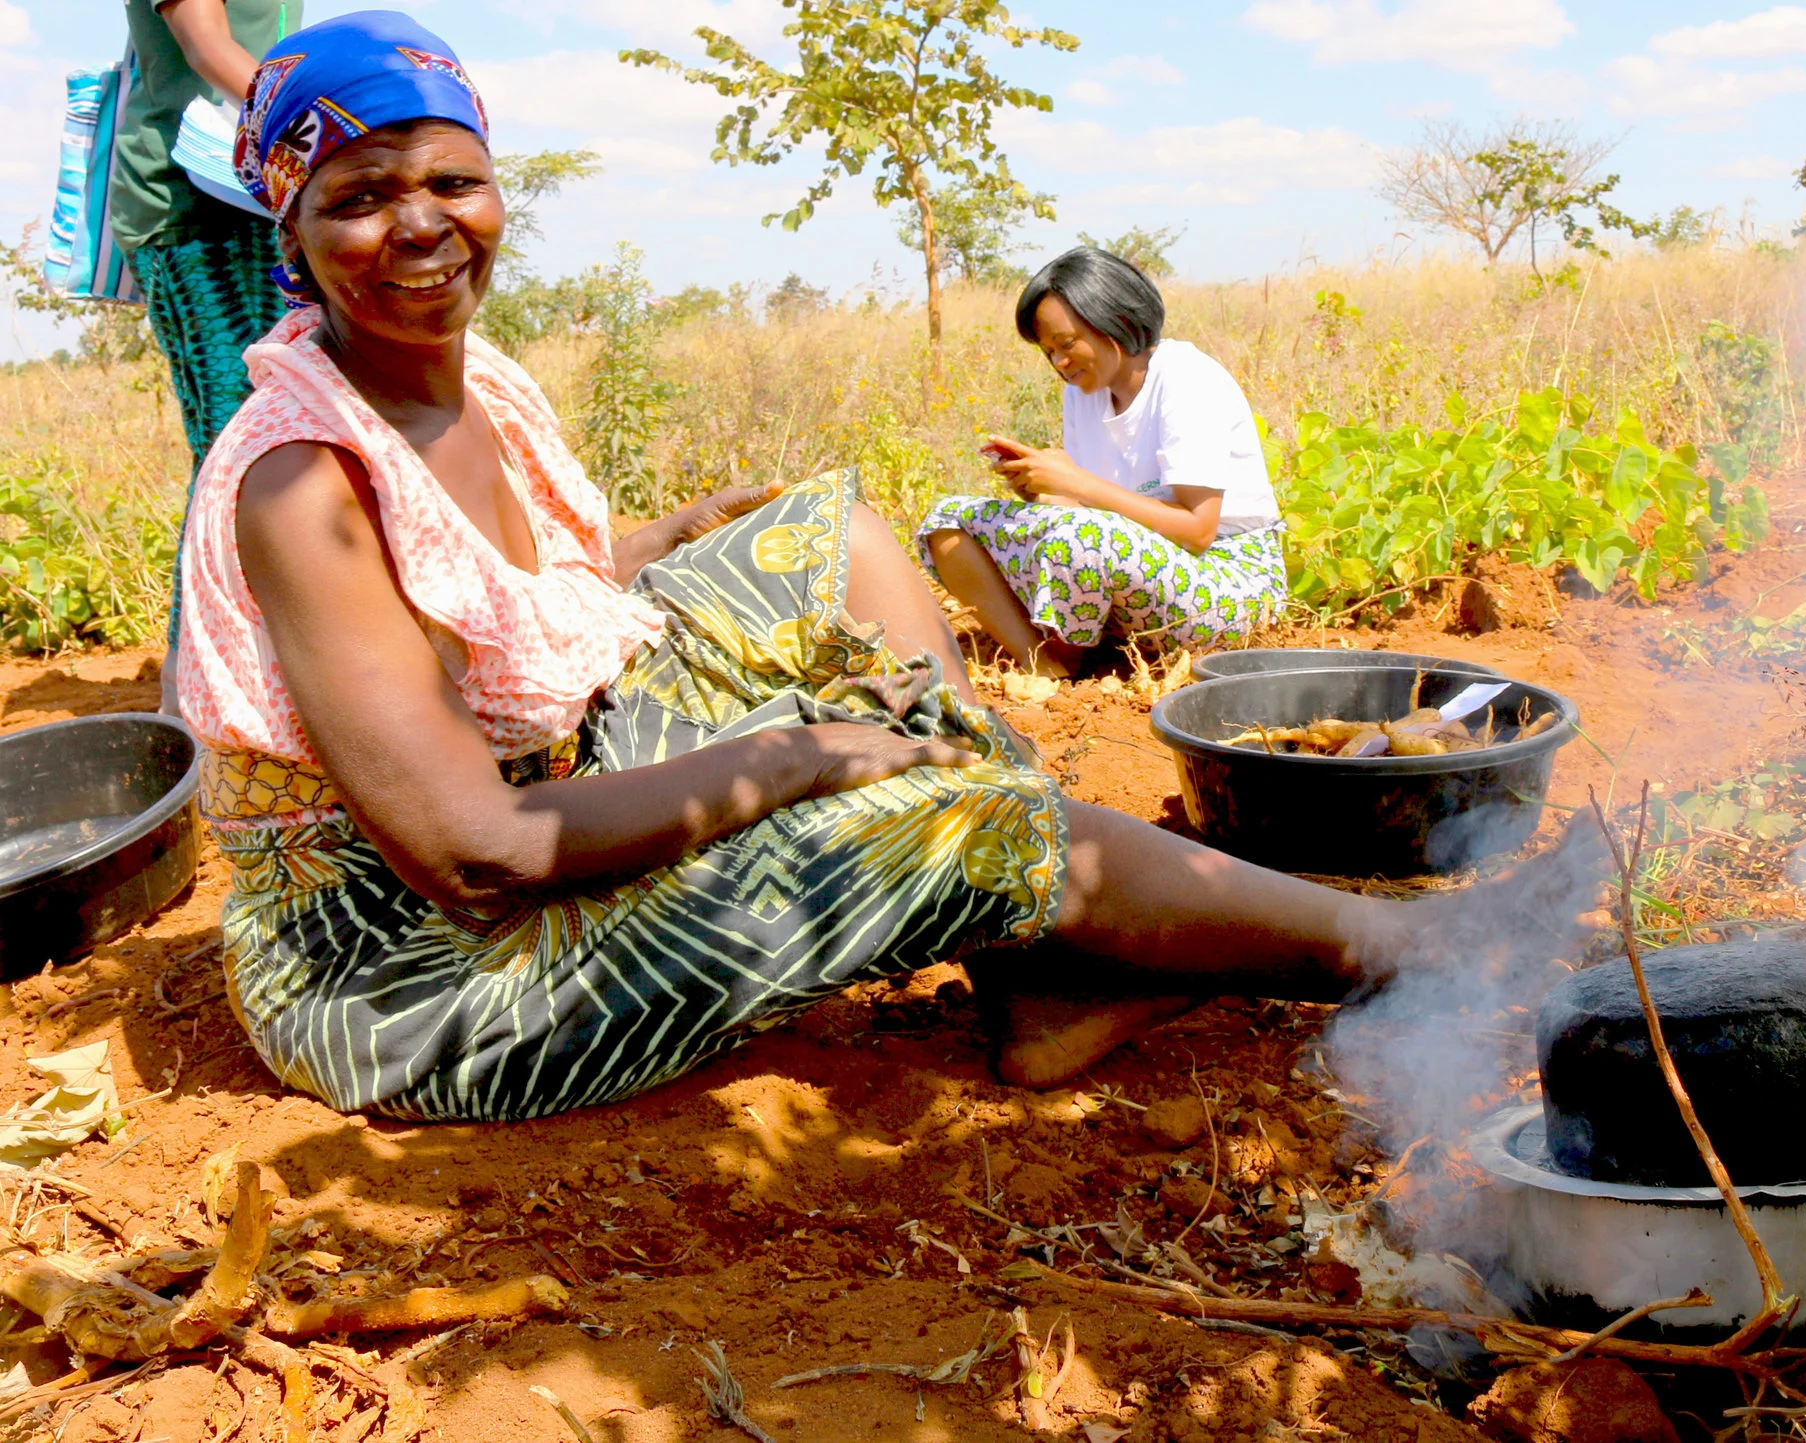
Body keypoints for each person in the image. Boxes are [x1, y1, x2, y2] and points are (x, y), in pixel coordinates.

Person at [179, 13, 1591, 1124]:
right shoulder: (303, 483)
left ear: (497, 190)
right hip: (416, 967)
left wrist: (666, 538)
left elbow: (492, 589)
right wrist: (797, 757)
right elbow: (475, 856)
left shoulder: (469, 376)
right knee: (911, 804)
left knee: (843, 541)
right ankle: (1399, 949)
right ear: (290, 225)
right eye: (360, 196)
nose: (422, 225)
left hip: (532, 777)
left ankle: (1033, 950)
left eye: (454, 181)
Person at [918, 248, 1284, 677]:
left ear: (1115, 319)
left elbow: (1198, 531)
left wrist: (1075, 482)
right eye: (1048, 351)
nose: (1059, 363)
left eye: (1066, 344)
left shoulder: (1186, 378)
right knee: (949, 520)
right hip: (1134, 569)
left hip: (1227, 580)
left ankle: (1070, 656)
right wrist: (1040, 490)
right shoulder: (1084, 393)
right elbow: (1091, 513)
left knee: (1081, 536)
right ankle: (1042, 663)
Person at [117, 1, 294, 710]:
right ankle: (195, 697)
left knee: (274, 441)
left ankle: (257, 674)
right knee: (236, 448)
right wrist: (334, 124)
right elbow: (205, 44)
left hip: (253, 198)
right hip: (195, 206)